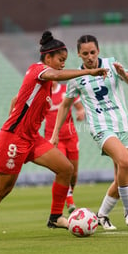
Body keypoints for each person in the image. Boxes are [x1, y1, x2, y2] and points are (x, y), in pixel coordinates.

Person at [0, 31, 108, 241]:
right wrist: (88, 72)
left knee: (66, 168)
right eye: (60, 60)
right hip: (13, 139)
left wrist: (16, 115)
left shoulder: (44, 81)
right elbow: (56, 75)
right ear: (48, 58)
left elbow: (16, 99)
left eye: (64, 61)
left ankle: (56, 216)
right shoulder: (38, 69)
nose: (61, 64)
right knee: (4, 188)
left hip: (31, 139)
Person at [51, 34, 128, 230]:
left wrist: (123, 74)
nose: (89, 57)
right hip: (101, 128)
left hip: (124, 125)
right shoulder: (76, 78)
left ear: (98, 51)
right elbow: (65, 105)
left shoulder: (112, 64)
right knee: (124, 162)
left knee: (123, 176)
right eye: (85, 54)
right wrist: (55, 132)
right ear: (79, 55)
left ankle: (102, 215)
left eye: (92, 52)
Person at [44, 81, 85, 214]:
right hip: (54, 138)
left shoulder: (66, 90)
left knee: (74, 174)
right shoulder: (43, 93)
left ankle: (69, 194)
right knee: (63, 169)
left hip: (71, 136)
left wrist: (81, 112)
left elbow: (80, 107)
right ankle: (70, 202)